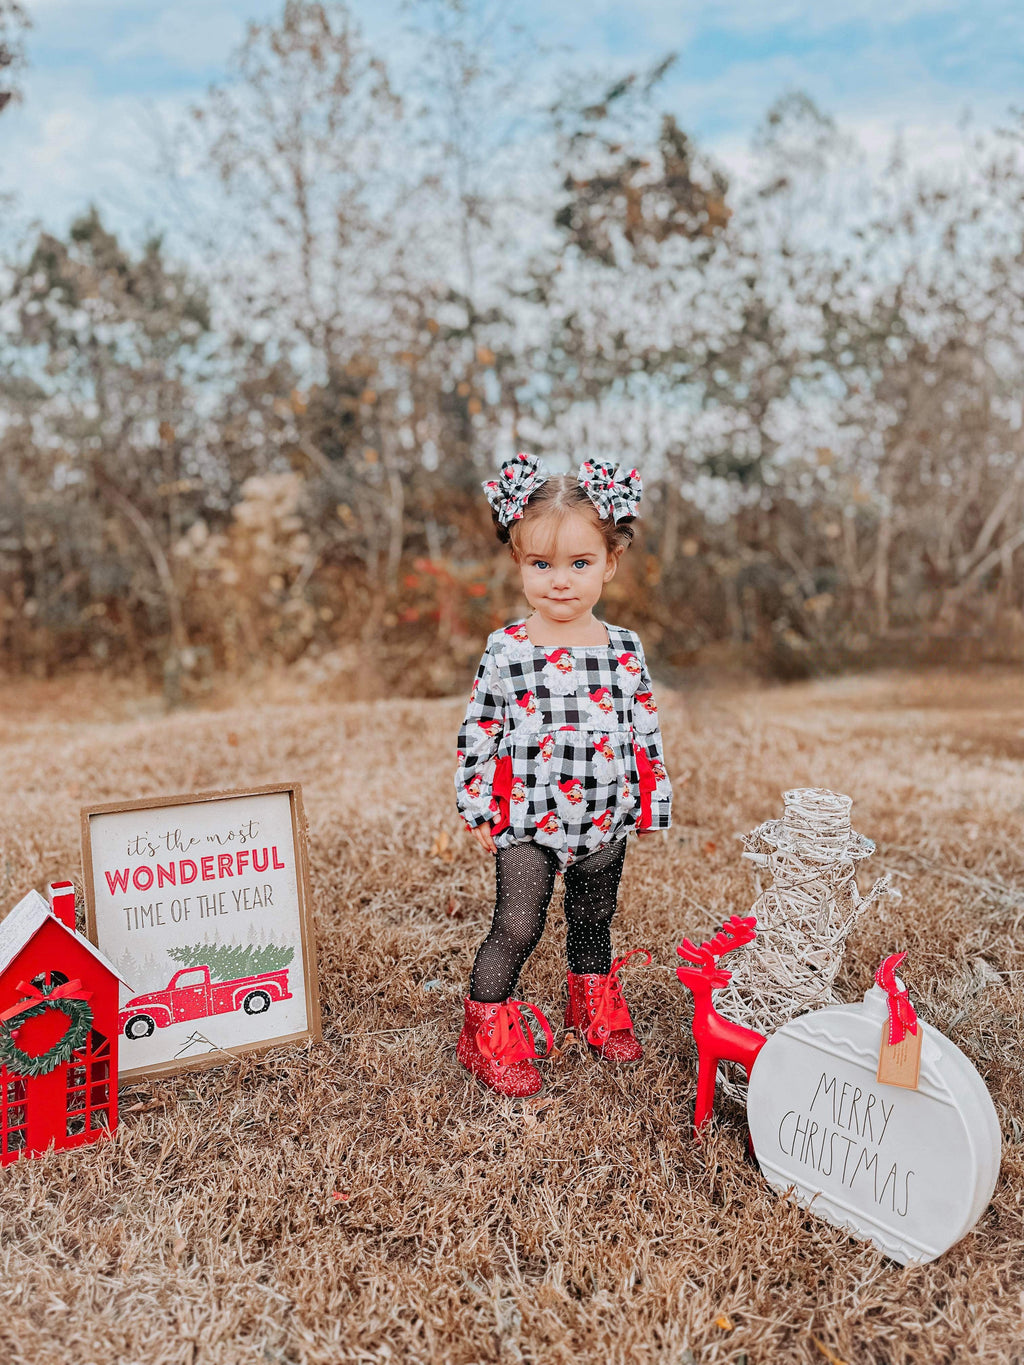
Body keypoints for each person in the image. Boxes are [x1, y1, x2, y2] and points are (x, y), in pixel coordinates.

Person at [454, 452, 673, 1096]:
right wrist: (475, 801)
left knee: (592, 922)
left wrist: (650, 801)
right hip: (528, 817)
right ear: (518, 562)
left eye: (579, 564)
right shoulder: (508, 648)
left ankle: (591, 1006)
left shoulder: (623, 648)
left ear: (609, 563)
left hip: (604, 815)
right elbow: (481, 728)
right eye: (540, 565)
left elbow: (644, 728)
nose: (560, 582)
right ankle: (485, 1028)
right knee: (517, 924)